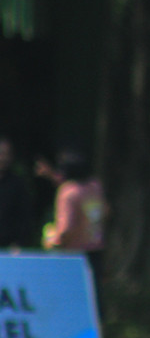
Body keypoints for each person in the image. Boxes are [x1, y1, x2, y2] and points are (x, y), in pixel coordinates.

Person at [39, 149, 109, 317]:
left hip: (72, 254)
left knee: (70, 297)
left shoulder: (68, 193)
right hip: (95, 249)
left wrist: (52, 241)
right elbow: (106, 211)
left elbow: (66, 228)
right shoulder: (94, 186)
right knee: (93, 295)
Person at [0, 136, 34, 249]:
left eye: (7, 154)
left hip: (8, 247)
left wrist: (20, 242)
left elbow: (24, 216)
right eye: (1, 153)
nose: (3, 158)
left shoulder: (18, 184)